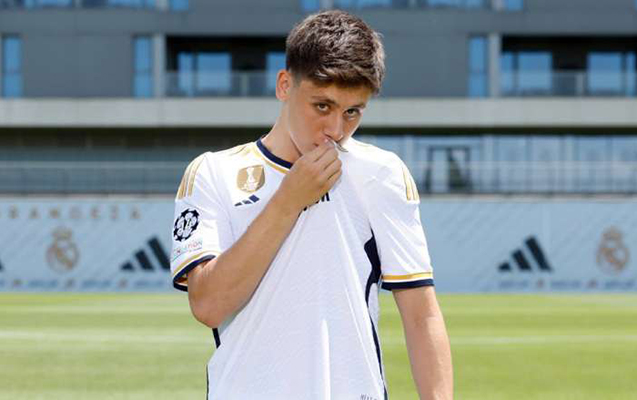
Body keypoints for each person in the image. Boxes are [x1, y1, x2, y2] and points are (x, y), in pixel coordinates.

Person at [170, 10, 453, 399]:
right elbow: (208, 306)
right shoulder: (213, 172)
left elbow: (421, 315)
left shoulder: (382, 173)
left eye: (352, 112)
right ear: (285, 85)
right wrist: (289, 200)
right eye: (322, 106)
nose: (336, 130)